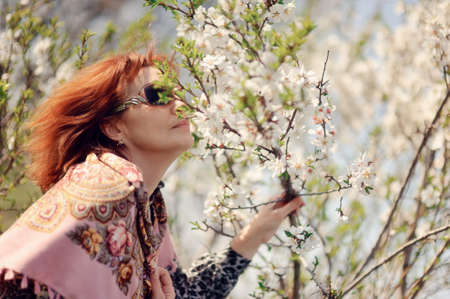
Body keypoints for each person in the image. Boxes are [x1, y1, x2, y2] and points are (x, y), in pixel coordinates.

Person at [0, 50, 304, 298]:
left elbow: (186, 293)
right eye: (157, 95)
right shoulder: (106, 185)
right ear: (113, 126)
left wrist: (252, 237)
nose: (180, 106)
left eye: (180, 94)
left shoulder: (146, 213)